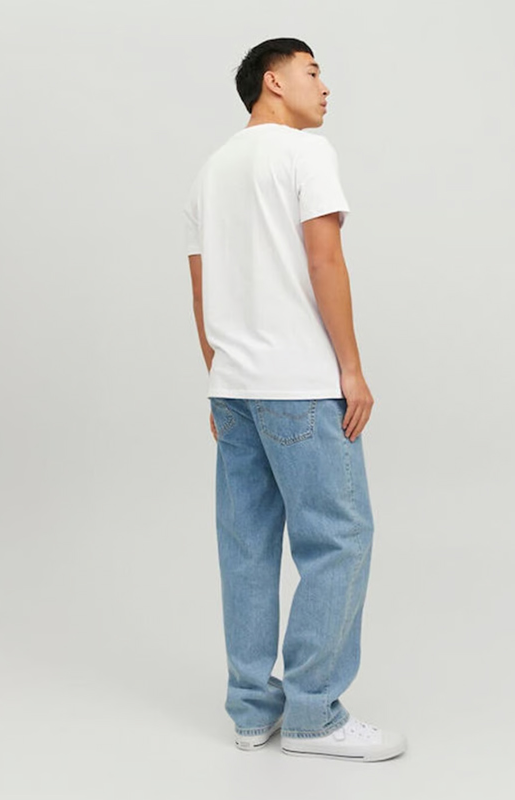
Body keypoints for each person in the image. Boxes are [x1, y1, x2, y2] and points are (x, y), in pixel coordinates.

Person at [182, 38, 406, 762]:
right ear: (273, 82)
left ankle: (253, 712)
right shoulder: (305, 153)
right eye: (312, 72)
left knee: (246, 547)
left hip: (236, 390)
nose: (325, 86)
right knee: (338, 539)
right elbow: (325, 257)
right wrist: (352, 368)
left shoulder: (210, 171)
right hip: (301, 386)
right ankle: (314, 715)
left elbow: (201, 286)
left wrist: (220, 377)